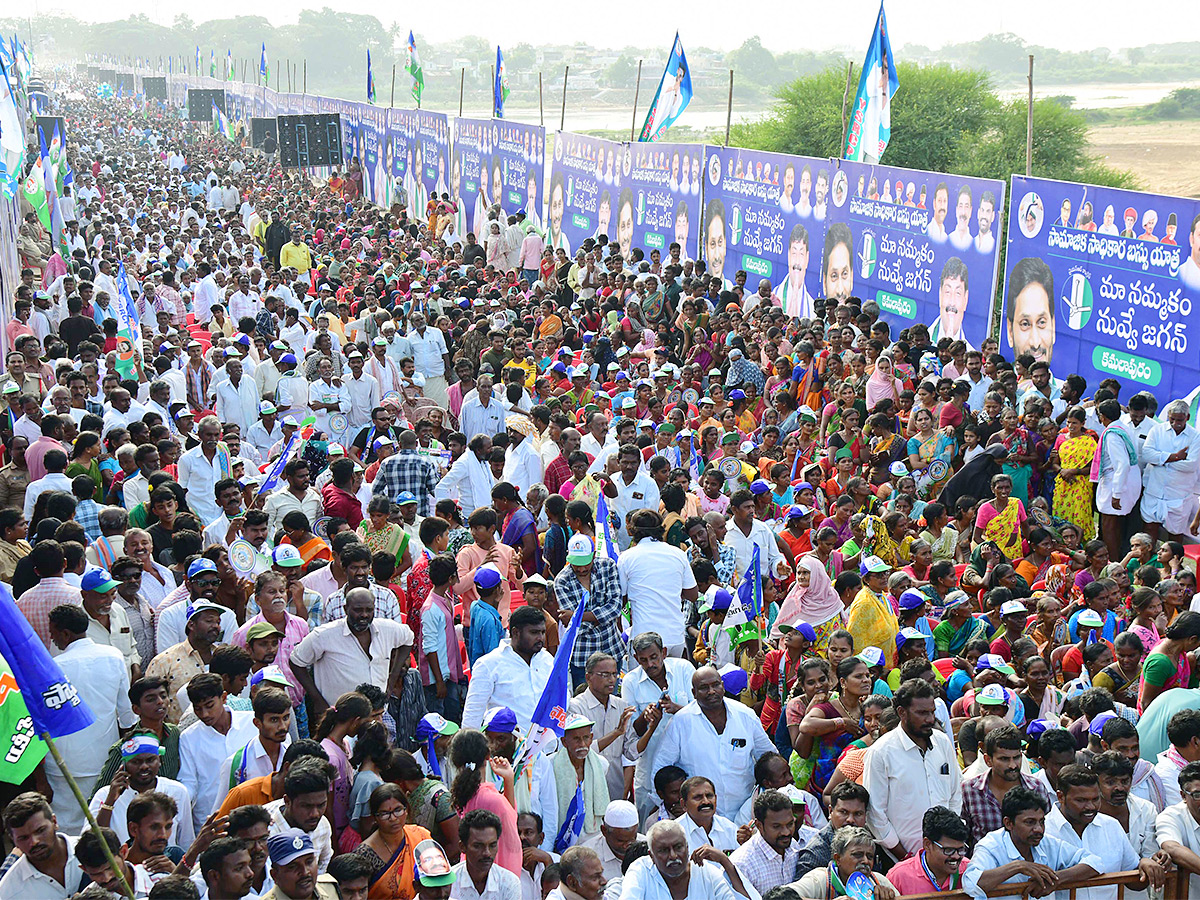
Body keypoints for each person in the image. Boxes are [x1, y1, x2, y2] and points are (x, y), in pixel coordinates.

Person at [45, 602, 137, 833]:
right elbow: (127, 717)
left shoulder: (53, 668)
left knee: (68, 829)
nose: (51, 638)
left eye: (53, 632)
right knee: (105, 822)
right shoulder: (114, 657)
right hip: (103, 760)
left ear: (65, 633)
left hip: (64, 765)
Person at [652, 665, 774, 821]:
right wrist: (676, 807)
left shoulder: (745, 716)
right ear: (693, 693)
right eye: (704, 687)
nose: (711, 691)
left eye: (715, 685)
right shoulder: (680, 723)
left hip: (746, 814)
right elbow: (660, 771)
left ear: (722, 686)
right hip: (700, 819)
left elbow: (769, 758)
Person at [862, 678, 962, 860]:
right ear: (902, 712)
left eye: (932, 712)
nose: (930, 719)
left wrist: (949, 843)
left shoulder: (942, 742)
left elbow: (955, 795)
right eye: (922, 713)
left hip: (946, 857)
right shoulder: (881, 752)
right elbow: (876, 814)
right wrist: (905, 857)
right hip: (899, 860)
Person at [963, 786, 1101, 900]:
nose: (1039, 829)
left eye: (1042, 821)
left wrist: (1055, 879)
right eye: (1030, 822)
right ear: (1008, 823)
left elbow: (1095, 862)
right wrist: (1017, 867)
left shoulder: (1047, 843)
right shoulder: (990, 846)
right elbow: (972, 883)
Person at [619, 819, 741, 900]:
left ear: (687, 848)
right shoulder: (640, 870)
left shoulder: (707, 873)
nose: (673, 855)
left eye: (678, 847)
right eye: (664, 850)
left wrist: (724, 861)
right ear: (651, 855)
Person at [0, 792, 87, 898]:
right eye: (23, 838)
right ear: (13, 840)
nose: (34, 842)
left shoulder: (94, 851)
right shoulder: (8, 892)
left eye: (40, 830)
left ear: (54, 822)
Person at [728, 789, 801, 894]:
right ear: (759, 826)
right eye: (777, 826)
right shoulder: (743, 865)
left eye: (790, 824)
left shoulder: (793, 846)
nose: (786, 832)